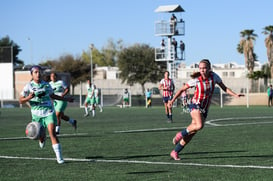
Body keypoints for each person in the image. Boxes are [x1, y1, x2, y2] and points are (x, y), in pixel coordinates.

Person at [168, 59, 244, 160]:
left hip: (205, 108)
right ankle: (180, 134)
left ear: (209, 68)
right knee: (199, 125)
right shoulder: (196, 80)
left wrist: (235, 94)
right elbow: (182, 89)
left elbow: (224, 88)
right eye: (200, 68)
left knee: (192, 132)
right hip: (195, 104)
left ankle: (175, 151)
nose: (202, 70)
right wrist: (172, 100)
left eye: (204, 68)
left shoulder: (214, 77)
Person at [19, 65, 74, 164]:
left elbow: (53, 96)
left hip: (48, 112)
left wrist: (67, 99)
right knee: (41, 135)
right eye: (35, 72)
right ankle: (42, 137)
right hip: (36, 115)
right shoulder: (28, 86)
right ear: (32, 74)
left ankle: (59, 158)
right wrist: (29, 97)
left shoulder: (46, 85)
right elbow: (21, 100)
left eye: (39, 72)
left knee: (52, 133)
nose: (38, 73)